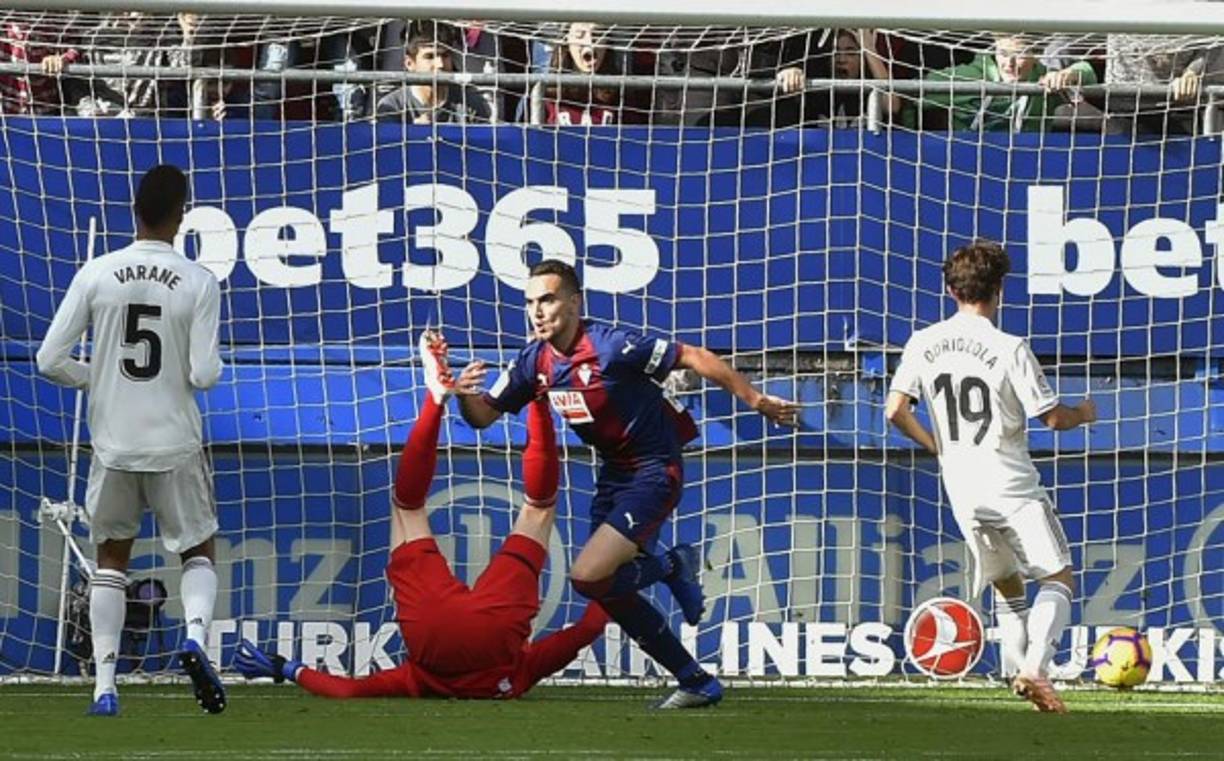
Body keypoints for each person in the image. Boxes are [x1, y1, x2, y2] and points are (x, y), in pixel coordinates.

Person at [453, 260, 800, 708]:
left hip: (655, 470)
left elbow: (694, 356)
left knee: (586, 575)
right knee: (604, 587)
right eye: (530, 303)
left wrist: (756, 400)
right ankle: (695, 680)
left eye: (548, 299)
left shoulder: (613, 345)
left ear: (575, 303)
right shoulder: (533, 361)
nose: (537, 311)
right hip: (614, 476)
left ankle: (673, 566)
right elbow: (482, 416)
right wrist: (460, 394)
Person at [234, 332, 609, 698]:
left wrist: (618, 585)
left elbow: (585, 630)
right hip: (439, 632)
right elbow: (348, 691)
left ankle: (511, 395)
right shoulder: (420, 682)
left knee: (535, 508)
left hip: (479, 632)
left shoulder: (510, 675)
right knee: (411, 508)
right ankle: (468, 396)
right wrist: (287, 667)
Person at [36, 164, 226, 717]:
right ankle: (193, 636)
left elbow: (49, 359)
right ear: (181, 216)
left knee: (110, 561)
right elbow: (206, 374)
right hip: (175, 446)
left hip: (114, 445)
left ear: (134, 213)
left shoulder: (97, 272)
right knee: (198, 549)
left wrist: (97, 375)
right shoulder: (199, 281)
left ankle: (104, 686)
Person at [884, 239, 1097, 713]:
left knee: (1008, 584)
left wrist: (937, 445)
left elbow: (895, 410)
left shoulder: (923, 341)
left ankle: (1014, 673)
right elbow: (1053, 419)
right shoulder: (1009, 347)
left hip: (961, 486)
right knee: (1058, 577)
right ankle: (1035, 668)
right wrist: (1084, 411)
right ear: (1000, 289)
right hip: (1011, 482)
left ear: (949, 288)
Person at [901, 33, 1096, 132]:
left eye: (1018, 55)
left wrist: (1070, 73)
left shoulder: (1044, 78)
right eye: (1003, 54)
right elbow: (908, 96)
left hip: (1027, 160)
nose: (1009, 64)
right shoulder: (968, 76)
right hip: (965, 161)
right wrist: (911, 140)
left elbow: (1089, 74)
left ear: (1036, 56)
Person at [376, 20, 491, 125]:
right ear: (409, 63)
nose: (440, 64)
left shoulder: (470, 103)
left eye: (445, 55)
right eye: (430, 56)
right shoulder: (392, 106)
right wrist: (412, 135)